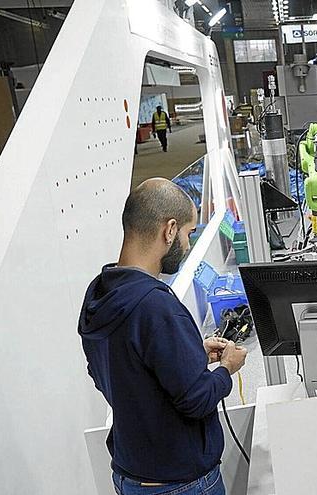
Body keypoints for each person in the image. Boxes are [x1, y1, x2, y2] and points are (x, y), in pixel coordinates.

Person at [79, 178, 248, 494]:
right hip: (180, 483)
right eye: (187, 233)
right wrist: (227, 368)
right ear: (169, 230)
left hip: (131, 476)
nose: (187, 243)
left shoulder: (100, 293)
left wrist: (190, 351)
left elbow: (120, 370)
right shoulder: (156, 306)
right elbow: (197, 400)